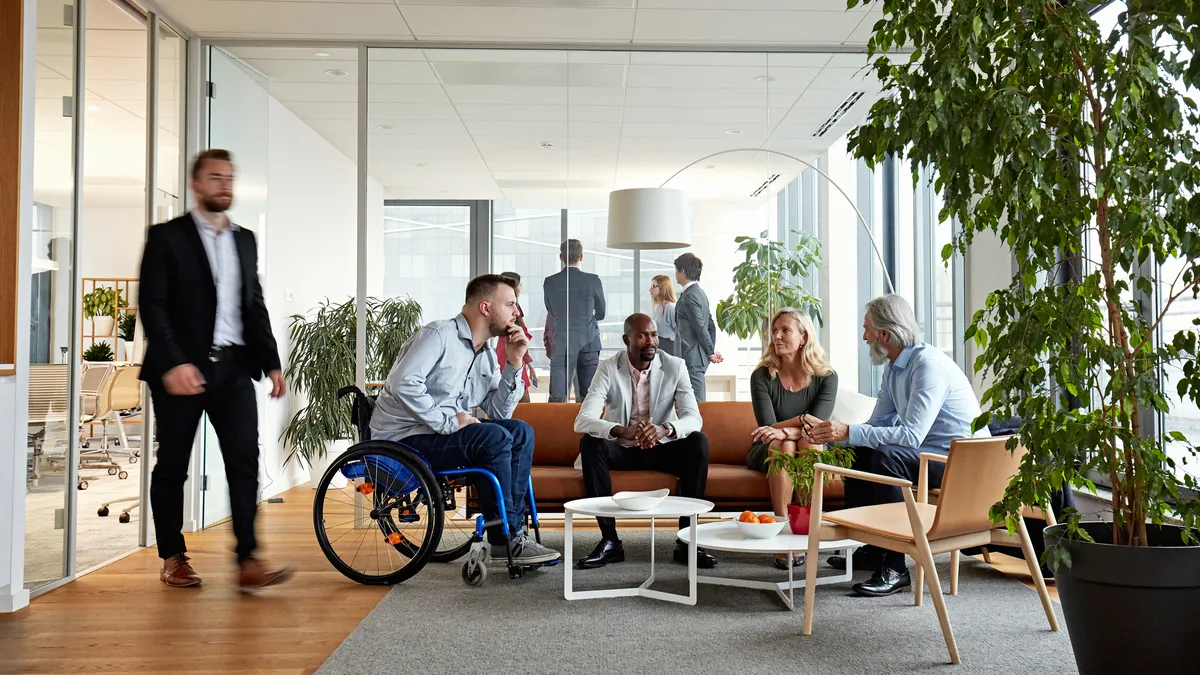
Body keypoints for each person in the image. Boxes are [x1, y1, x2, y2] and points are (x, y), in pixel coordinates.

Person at [138, 149, 290, 590]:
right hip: (179, 373)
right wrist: (174, 363)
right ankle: (173, 556)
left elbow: (253, 304)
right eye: (215, 177)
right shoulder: (167, 237)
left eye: (230, 178)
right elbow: (153, 305)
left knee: (244, 460)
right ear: (196, 185)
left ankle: (248, 559)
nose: (225, 185)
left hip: (233, 369)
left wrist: (272, 363)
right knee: (173, 467)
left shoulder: (244, 239)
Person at [369, 274, 561, 565]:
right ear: (485, 307)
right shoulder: (438, 335)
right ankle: (503, 538)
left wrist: (514, 362)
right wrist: (448, 423)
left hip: (439, 436)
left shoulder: (484, 354)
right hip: (404, 438)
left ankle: (513, 530)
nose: (517, 313)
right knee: (492, 436)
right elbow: (403, 383)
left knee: (520, 431)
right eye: (510, 304)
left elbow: (498, 413)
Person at [806, 294, 988, 597]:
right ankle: (874, 546)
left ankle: (896, 566)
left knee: (885, 458)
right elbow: (877, 424)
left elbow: (911, 436)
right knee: (858, 450)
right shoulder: (894, 368)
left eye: (867, 330)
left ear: (885, 335)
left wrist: (848, 430)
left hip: (959, 464)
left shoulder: (927, 366)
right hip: (930, 456)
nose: (864, 337)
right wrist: (841, 435)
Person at [573, 313, 717, 570]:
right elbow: (583, 420)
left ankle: (686, 540)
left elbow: (693, 418)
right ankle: (609, 541)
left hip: (660, 449)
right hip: (622, 450)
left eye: (653, 335)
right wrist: (621, 431)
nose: (651, 341)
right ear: (626, 339)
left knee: (698, 442)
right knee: (590, 443)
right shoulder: (608, 367)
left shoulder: (675, 365)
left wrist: (665, 429)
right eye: (642, 335)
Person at [746, 308, 838, 569]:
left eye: (785, 330)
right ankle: (783, 531)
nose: (776, 336)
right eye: (774, 331)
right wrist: (801, 422)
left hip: (807, 442)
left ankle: (805, 530)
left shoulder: (826, 377)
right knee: (783, 444)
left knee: (808, 442)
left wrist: (789, 429)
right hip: (767, 448)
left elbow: (817, 427)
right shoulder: (762, 376)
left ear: (804, 337)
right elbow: (767, 428)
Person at [543, 239, 606, 402]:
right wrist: (591, 314)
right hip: (588, 345)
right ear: (581, 257)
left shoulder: (550, 282)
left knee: (557, 398)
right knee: (588, 398)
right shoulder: (593, 280)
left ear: (561, 257)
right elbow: (602, 312)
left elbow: (551, 311)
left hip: (562, 344)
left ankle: (556, 428)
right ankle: (585, 428)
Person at [673, 252, 723, 401]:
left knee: (696, 404)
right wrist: (709, 351)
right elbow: (711, 326)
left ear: (682, 271)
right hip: (695, 357)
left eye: (676, 270)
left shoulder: (690, 296)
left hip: (692, 358)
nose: (675, 274)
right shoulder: (699, 293)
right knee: (689, 402)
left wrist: (710, 352)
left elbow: (701, 327)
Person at [496, 271, 536, 403]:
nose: (521, 288)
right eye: (520, 285)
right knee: (521, 403)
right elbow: (519, 337)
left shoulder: (512, 307)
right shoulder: (507, 310)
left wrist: (529, 364)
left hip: (513, 355)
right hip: (509, 355)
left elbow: (522, 338)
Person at [649, 274, 679, 356]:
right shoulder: (658, 307)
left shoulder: (670, 308)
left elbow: (678, 330)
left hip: (668, 347)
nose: (650, 289)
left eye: (654, 286)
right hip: (658, 345)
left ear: (663, 287)